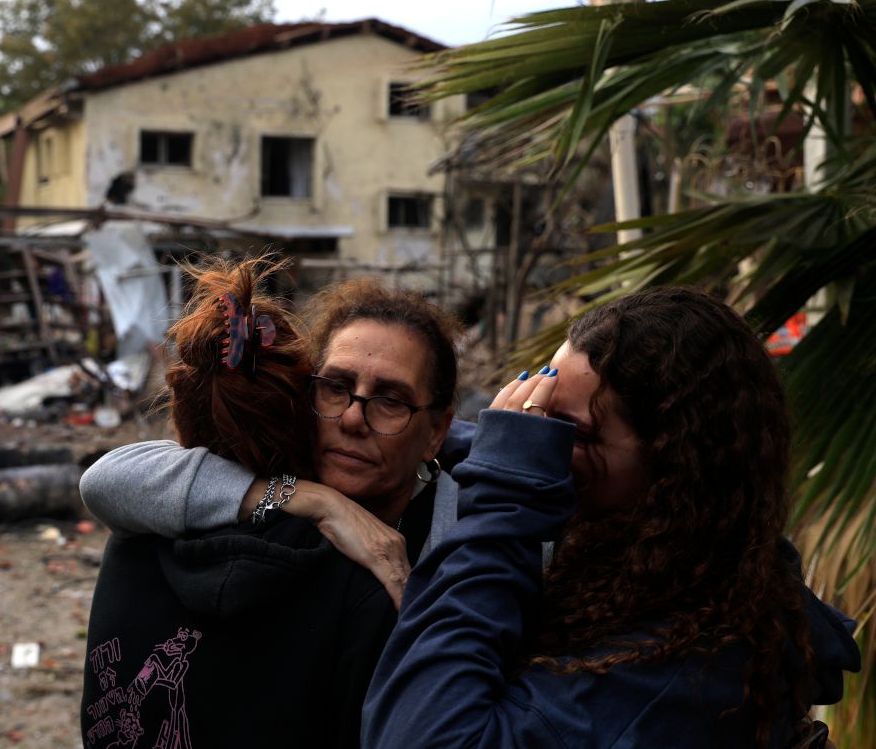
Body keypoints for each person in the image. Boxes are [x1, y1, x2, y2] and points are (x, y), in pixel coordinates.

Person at [361, 286, 861, 749]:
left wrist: (503, 500)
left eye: (573, 433)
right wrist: (363, 447)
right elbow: (512, 448)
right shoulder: (691, 565)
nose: (545, 450)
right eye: (541, 419)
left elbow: (419, 736)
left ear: (674, 464)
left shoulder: (680, 671)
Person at [80, 259, 409, 749]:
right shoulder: (366, 584)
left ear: (182, 419)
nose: (353, 419)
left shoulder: (136, 532)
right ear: (304, 417)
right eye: (337, 390)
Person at [79, 276, 467, 604]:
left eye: (390, 400)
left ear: (436, 432)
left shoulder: (464, 534)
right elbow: (105, 482)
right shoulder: (277, 472)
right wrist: (317, 502)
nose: (352, 418)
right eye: (335, 386)